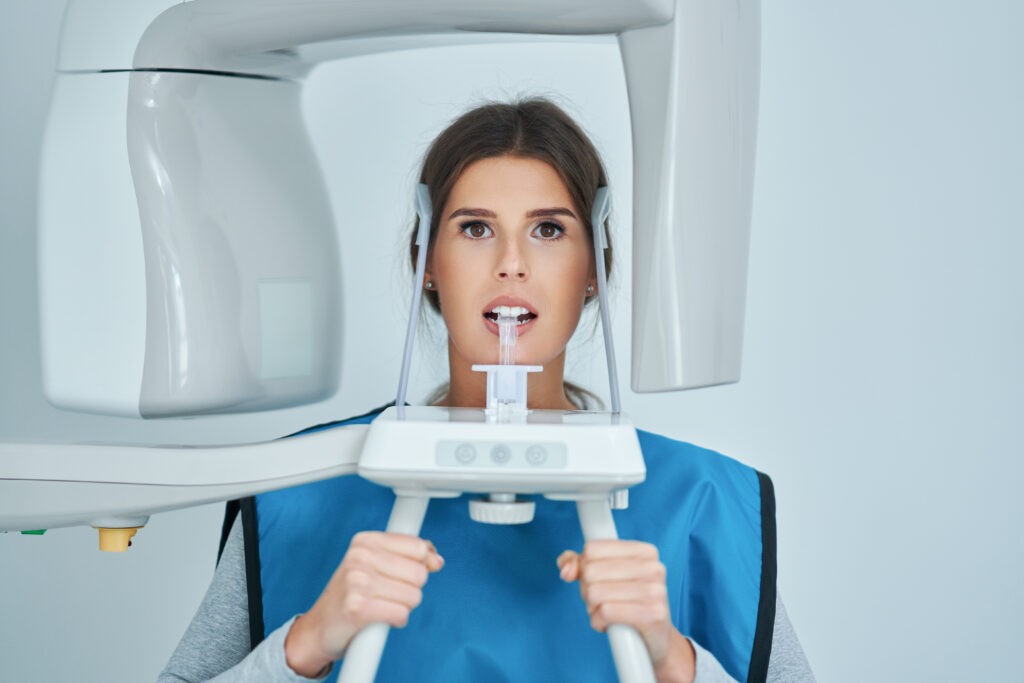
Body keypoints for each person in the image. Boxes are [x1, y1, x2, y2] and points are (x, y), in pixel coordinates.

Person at [159, 99, 815, 683]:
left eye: (549, 229)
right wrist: (303, 645)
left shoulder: (704, 503)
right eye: (475, 227)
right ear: (428, 266)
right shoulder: (301, 491)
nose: (512, 261)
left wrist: (676, 660)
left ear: (594, 270)